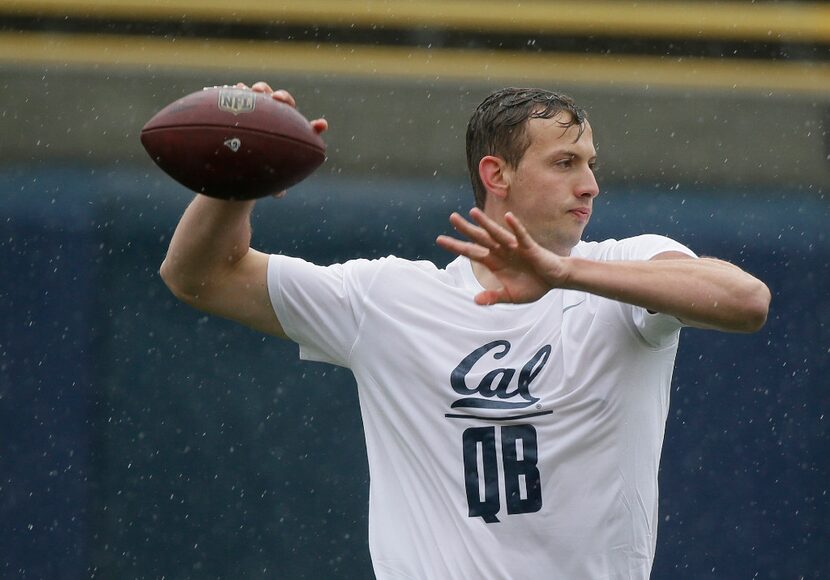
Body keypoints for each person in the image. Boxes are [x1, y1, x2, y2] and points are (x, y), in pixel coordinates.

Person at [160, 82, 770, 579]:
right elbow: (200, 275)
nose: (590, 184)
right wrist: (234, 178)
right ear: (496, 174)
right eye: (565, 163)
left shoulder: (621, 270)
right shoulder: (392, 298)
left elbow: (747, 301)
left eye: (590, 164)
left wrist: (564, 273)